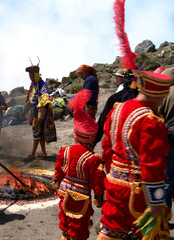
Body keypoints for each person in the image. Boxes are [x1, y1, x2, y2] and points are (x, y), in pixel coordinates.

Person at [98, 1, 172, 238]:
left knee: (111, 232)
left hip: (114, 184)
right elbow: (152, 166)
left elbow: (108, 147)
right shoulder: (151, 120)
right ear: (157, 95)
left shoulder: (118, 108)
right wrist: (158, 202)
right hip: (136, 192)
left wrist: (108, 175)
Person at [54, 89, 105, 240]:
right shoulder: (93, 158)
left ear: (76, 134)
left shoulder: (65, 151)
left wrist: (57, 181)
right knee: (79, 228)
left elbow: (58, 170)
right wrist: (99, 195)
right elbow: (97, 180)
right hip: (81, 198)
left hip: (64, 193)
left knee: (65, 222)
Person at [20, 64, 57, 161]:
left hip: (39, 113)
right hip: (34, 112)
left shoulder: (42, 85)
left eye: (32, 76)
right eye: (30, 76)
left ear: (36, 75)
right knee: (39, 134)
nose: (31, 78)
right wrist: (24, 111)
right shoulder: (33, 85)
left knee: (36, 133)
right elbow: (30, 99)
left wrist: (41, 116)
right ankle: (44, 153)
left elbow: (45, 100)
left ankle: (32, 154)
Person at [92, 69, 138, 146]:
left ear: (125, 79)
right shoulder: (145, 99)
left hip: (119, 143)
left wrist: (94, 140)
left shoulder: (114, 98)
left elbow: (103, 119)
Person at [158, 67, 174, 215]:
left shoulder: (165, 94)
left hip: (169, 140)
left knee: (167, 179)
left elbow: (158, 116)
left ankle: (164, 216)